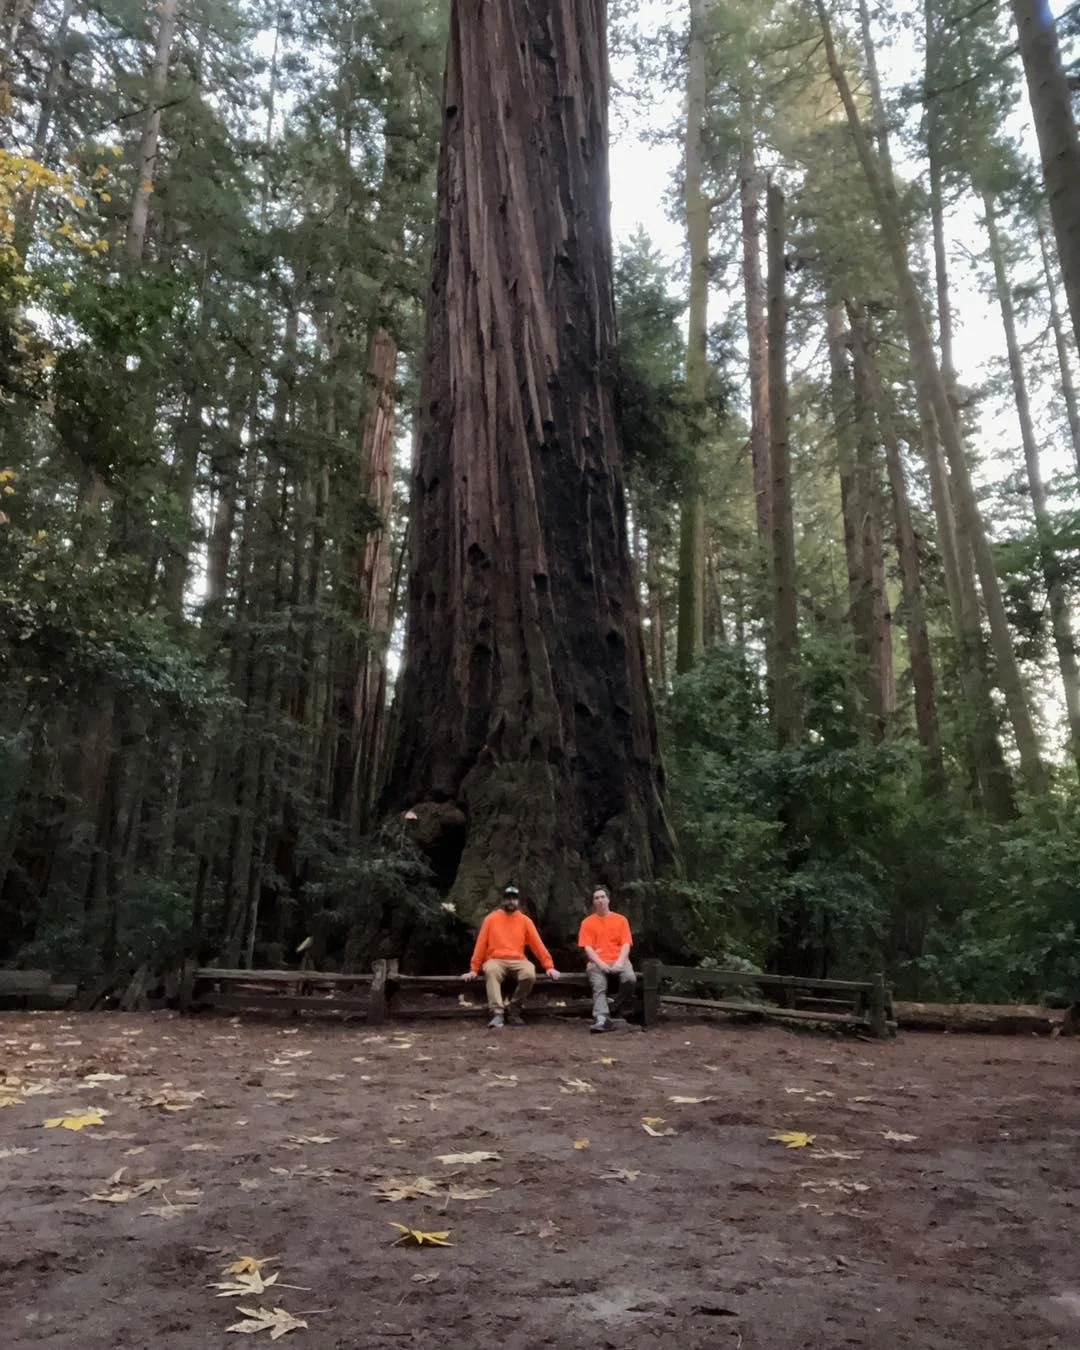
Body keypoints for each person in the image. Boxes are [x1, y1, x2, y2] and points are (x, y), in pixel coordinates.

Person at [462, 884, 560, 1029]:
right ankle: (497, 1012)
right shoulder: (491, 919)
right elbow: (481, 945)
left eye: (514, 899)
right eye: (508, 898)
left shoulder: (525, 921)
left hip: (518, 959)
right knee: (491, 970)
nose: (510, 902)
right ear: (503, 900)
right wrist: (474, 969)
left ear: (518, 902)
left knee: (529, 973)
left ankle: (514, 1007)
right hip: (495, 959)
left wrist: (549, 966)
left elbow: (537, 945)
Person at [578, 885, 635, 1032]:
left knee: (630, 979)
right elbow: (588, 948)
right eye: (596, 898)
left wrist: (620, 962)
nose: (600, 900)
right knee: (599, 985)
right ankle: (601, 1018)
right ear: (593, 902)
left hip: (619, 958)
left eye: (603, 897)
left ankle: (614, 1007)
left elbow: (626, 944)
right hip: (597, 960)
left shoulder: (621, 920)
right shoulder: (587, 922)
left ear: (608, 899)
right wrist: (601, 964)